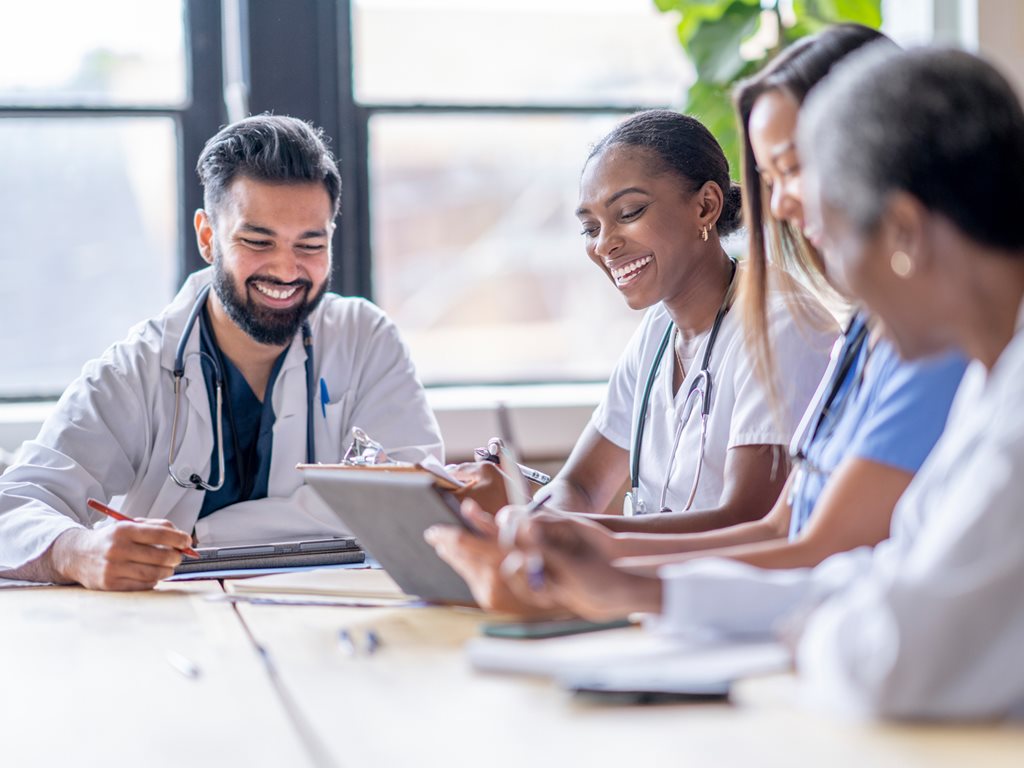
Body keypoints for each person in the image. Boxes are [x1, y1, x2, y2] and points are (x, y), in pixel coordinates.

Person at [520, 46, 1024, 719]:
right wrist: (624, 578)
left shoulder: (962, 383)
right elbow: (871, 575)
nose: (790, 215)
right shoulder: (977, 378)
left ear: (902, 230)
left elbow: (890, 651)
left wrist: (808, 627)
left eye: (830, 227)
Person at [0, 114, 442, 591]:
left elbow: (417, 508)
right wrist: (74, 551)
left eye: (310, 244)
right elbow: (17, 504)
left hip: (328, 620)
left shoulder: (365, 340)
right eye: (257, 241)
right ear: (208, 237)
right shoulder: (136, 370)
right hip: (168, 628)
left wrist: (200, 535)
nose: (287, 269)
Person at [428, 109, 836, 612]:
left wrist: (565, 534)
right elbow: (580, 484)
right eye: (590, 227)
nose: (605, 244)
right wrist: (532, 519)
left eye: (628, 213)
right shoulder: (659, 331)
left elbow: (747, 518)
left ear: (706, 206)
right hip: (647, 597)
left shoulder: (780, 323)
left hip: (729, 608)